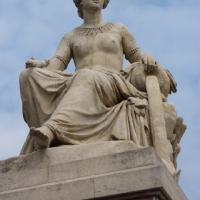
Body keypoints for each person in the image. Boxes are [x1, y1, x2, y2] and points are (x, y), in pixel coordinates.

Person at [20, 0, 176, 168]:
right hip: (80, 84)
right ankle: (54, 130)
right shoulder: (71, 36)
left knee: (85, 75)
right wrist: (41, 65)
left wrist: (148, 57)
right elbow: (56, 64)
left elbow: (137, 57)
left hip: (113, 84)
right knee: (27, 76)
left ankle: (51, 129)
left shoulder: (119, 29)